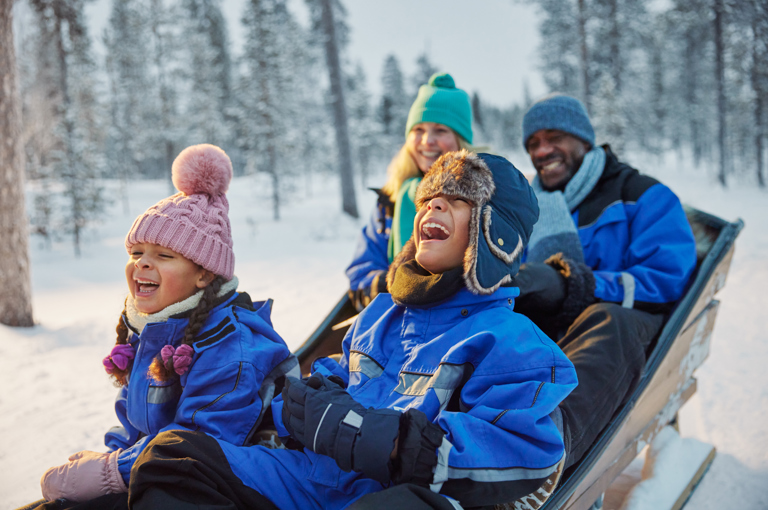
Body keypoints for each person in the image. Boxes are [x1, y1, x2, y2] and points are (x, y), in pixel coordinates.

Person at [126, 150, 578, 510]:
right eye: (428, 199)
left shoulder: (512, 341)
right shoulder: (380, 315)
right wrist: (310, 400)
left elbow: (524, 454)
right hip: (315, 481)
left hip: (399, 495)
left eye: (458, 201)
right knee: (174, 457)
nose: (433, 205)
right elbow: (333, 377)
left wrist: (381, 438)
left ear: (494, 233)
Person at [37, 145, 298, 506]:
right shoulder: (154, 328)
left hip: (239, 486)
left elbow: (201, 443)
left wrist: (110, 472)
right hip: (163, 473)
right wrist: (105, 462)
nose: (142, 264)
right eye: (135, 253)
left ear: (204, 274)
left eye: (163, 255)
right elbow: (133, 419)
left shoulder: (232, 346)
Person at [513, 94, 697, 468]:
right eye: (533, 143)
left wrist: (583, 285)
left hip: (630, 326)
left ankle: (546, 456)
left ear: (583, 138)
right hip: (556, 330)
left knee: (606, 320)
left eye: (553, 137)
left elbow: (667, 278)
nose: (542, 150)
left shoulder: (641, 195)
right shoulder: (528, 209)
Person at [346, 72, 474, 310]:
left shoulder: (483, 197)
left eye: (440, 130)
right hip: (396, 317)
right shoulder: (390, 202)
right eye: (418, 130)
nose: (427, 141)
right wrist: (386, 285)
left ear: (460, 140)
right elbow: (362, 269)